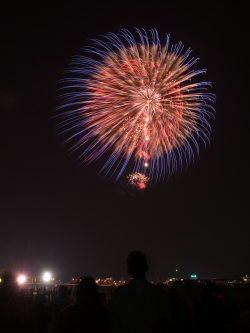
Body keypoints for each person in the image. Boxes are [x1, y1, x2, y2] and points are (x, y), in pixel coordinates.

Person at [109, 251, 172, 333]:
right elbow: (167, 324)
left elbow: (114, 326)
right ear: (146, 268)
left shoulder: (118, 296)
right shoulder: (159, 294)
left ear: (128, 270)